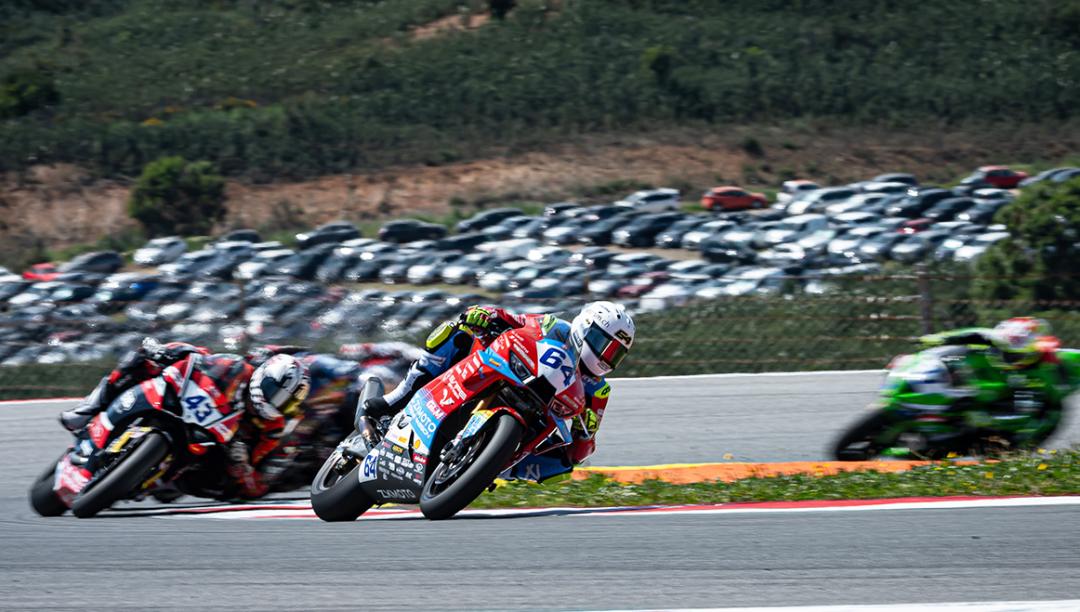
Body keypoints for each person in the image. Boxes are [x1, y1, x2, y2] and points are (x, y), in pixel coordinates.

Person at [363, 301, 635, 483]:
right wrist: (488, 315)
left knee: (564, 463)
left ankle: (497, 468)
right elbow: (516, 320)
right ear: (586, 328)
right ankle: (395, 400)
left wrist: (586, 433)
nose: (606, 357)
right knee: (456, 333)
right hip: (506, 374)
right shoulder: (554, 327)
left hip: (535, 418)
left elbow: (581, 450)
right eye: (605, 345)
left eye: (616, 354)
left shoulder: (599, 390)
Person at [920, 316, 1067, 447]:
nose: (1008, 358)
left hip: (1011, 420)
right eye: (1004, 352)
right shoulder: (990, 339)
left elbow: (1053, 399)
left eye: (1015, 356)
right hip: (984, 390)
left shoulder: (1046, 359)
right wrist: (939, 338)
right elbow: (970, 333)